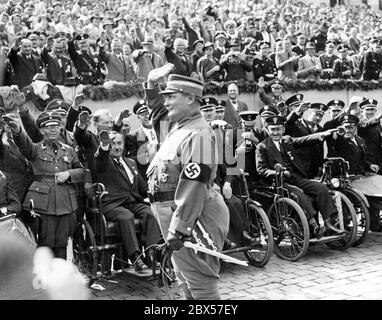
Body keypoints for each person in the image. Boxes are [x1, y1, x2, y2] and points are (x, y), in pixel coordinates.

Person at [147, 74, 229, 300]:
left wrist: (181, 227)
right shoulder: (179, 127)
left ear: (191, 98)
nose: (166, 102)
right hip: (178, 217)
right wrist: (151, 85)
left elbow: (194, 184)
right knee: (186, 282)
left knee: (201, 286)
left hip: (194, 219)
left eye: (171, 97)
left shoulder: (199, 132)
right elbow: (157, 112)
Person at [8, 110, 85, 259]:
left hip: (65, 202)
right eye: (49, 127)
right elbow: (24, 143)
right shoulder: (35, 149)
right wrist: (17, 130)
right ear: (42, 130)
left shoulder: (68, 150)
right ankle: (44, 278)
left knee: (62, 242)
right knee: (46, 243)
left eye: (56, 126)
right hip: (44, 203)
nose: (53, 129)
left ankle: (59, 277)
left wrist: (69, 174)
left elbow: (81, 171)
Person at [256, 115, 344, 238]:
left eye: (278, 129)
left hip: (296, 178)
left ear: (283, 129)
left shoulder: (287, 140)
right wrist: (278, 173)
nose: (276, 132)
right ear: (267, 130)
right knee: (299, 194)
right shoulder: (262, 147)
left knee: (321, 188)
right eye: (273, 129)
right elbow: (261, 170)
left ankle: (328, 223)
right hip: (279, 183)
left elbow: (305, 140)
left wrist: (323, 134)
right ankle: (313, 226)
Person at [95, 130, 161, 271]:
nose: (116, 147)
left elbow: (142, 187)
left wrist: (156, 189)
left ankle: (151, 253)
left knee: (151, 213)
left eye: (119, 143)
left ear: (124, 144)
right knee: (126, 216)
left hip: (133, 202)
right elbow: (101, 158)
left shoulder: (131, 162)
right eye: (113, 144)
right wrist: (104, 145)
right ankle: (136, 258)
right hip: (114, 205)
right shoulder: (104, 162)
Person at [328, 113, 382, 232]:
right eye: (345, 127)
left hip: (361, 175)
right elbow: (333, 143)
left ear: (356, 128)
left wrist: (370, 165)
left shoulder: (360, 140)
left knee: (378, 181)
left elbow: (362, 159)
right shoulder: (339, 141)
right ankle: (344, 222)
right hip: (347, 177)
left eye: (351, 127)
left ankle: (374, 220)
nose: (348, 130)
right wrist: (337, 134)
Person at [125, 100, 157, 181]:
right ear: (138, 118)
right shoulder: (132, 137)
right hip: (147, 176)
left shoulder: (162, 130)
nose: (147, 116)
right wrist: (147, 156)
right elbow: (132, 158)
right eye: (143, 114)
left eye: (149, 113)